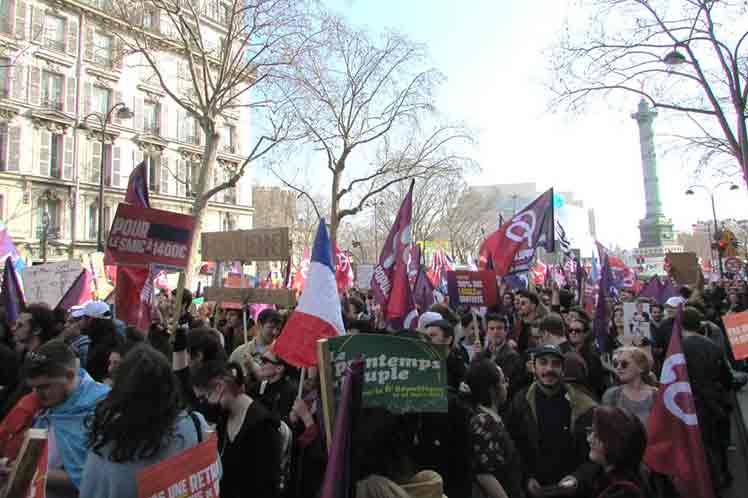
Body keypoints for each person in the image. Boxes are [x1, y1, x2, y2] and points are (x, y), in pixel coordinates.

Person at [79, 344, 210, 498]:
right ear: (170, 386)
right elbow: (214, 476)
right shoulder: (195, 425)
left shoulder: (105, 450)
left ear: (122, 391)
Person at [506, 344, 598, 497]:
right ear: (533, 367)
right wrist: (525, 478)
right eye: (543, 362)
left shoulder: (584, 404)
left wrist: (578, 478)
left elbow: (596, 453)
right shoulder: (520, 401)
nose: (549, 369)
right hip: (534, 490)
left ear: (563, 369)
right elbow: (512, 448)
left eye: (555, 364)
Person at [24, 341, 110, 497]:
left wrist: (33, 473)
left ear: (70, 376)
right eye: (34, 387)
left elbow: (98, 480)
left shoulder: (103, 408)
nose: (38, 394)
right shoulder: (50, 404)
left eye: (45, 386)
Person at [192, 359, 281, 498]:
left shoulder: (263, 425)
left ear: (219, 387)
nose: (204, 404)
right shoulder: (224, 418)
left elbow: (267, 485)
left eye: (204, 397)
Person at [680, 306, 734, 491]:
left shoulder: (678, 350)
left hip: (691, 405)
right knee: (716, 445)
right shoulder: (712, 346)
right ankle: (721, 477)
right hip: (714, 404)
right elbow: (726, 378)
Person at [466, 358, 524, 498]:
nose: (507, 385)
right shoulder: (483, 422)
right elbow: (484, 474)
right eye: (503, 381)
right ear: (492, 390)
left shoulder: (491, 417)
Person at [585, 407, 650, 498]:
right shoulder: (602, 474)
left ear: (614, 445)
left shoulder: (623, 492)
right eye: (591, 431)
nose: (589, 439)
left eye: (596, 435)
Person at [601, 347, 657, 425]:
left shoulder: (656, 395)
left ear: (641, 367)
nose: (618, 367)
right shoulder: (611, 395)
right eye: (616, 364)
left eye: (624, 364)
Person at [247, 348, 298, 421]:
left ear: (279, 368)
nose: (260, 363)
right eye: (261, 359)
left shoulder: (288, 391)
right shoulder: (258, 386)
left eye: (265, 361)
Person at [483, 313, 524, 401]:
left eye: (499, 328)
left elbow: (503, 383)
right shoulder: (483, 353)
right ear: (487, 332)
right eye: (492, 328)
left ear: (506, 331)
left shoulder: (512, 356)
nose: (495, 332)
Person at [229, 309, 283, 374]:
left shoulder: (281, 355)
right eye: (271, 327)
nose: (275, 332)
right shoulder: (239, 352)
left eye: (278, 329)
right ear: (259, 325)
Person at [567, 314, 607, 399]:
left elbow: (597, 384)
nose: (573, 333)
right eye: (570, 330)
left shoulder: (592, 356)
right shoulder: (566, 351)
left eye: (577, 330)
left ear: (585, 334)